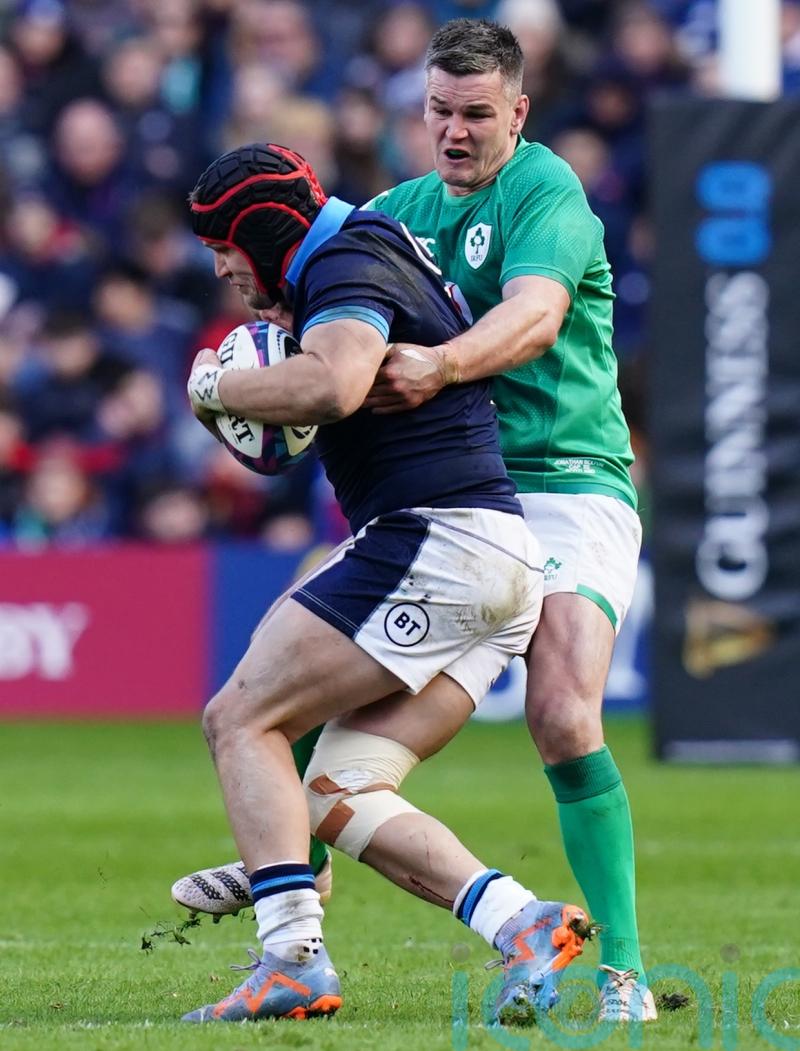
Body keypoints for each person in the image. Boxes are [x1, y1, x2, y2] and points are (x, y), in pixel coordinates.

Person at [174, 18, 656, 1024]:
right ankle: (307, 868)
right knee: (334, 766)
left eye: (474, 113)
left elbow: (534, 313)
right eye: (435, 110)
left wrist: (435, 363)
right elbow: (311, 322)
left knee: (561, 710)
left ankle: (622, 970)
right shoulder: (389, 216)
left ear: (514, 114)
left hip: (558, 477)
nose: (452, 130)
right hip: (473, 512)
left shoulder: (540, 191)